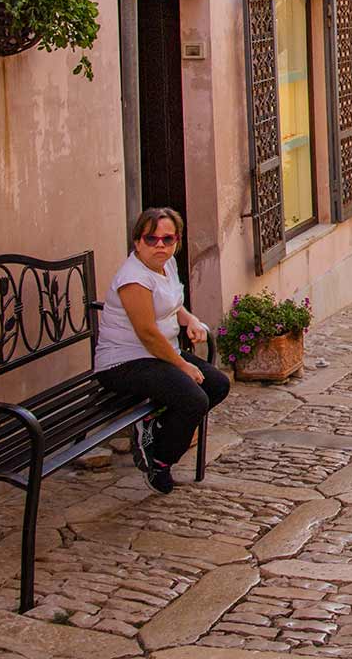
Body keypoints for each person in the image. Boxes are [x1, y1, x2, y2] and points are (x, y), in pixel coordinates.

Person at [94, 208, 227, 495]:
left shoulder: (166, 264)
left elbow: (173, 303)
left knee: (217, 384)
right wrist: (182, 365)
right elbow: (147, 333)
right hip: (125, 362)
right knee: (193, 399)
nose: (160, 245)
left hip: (158, 356)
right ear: (137, 242)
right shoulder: (134, 278)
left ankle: (151, 428)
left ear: (176, 241)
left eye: (168, 239)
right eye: (151, 239)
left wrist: (190, 320)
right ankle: (160, 461)